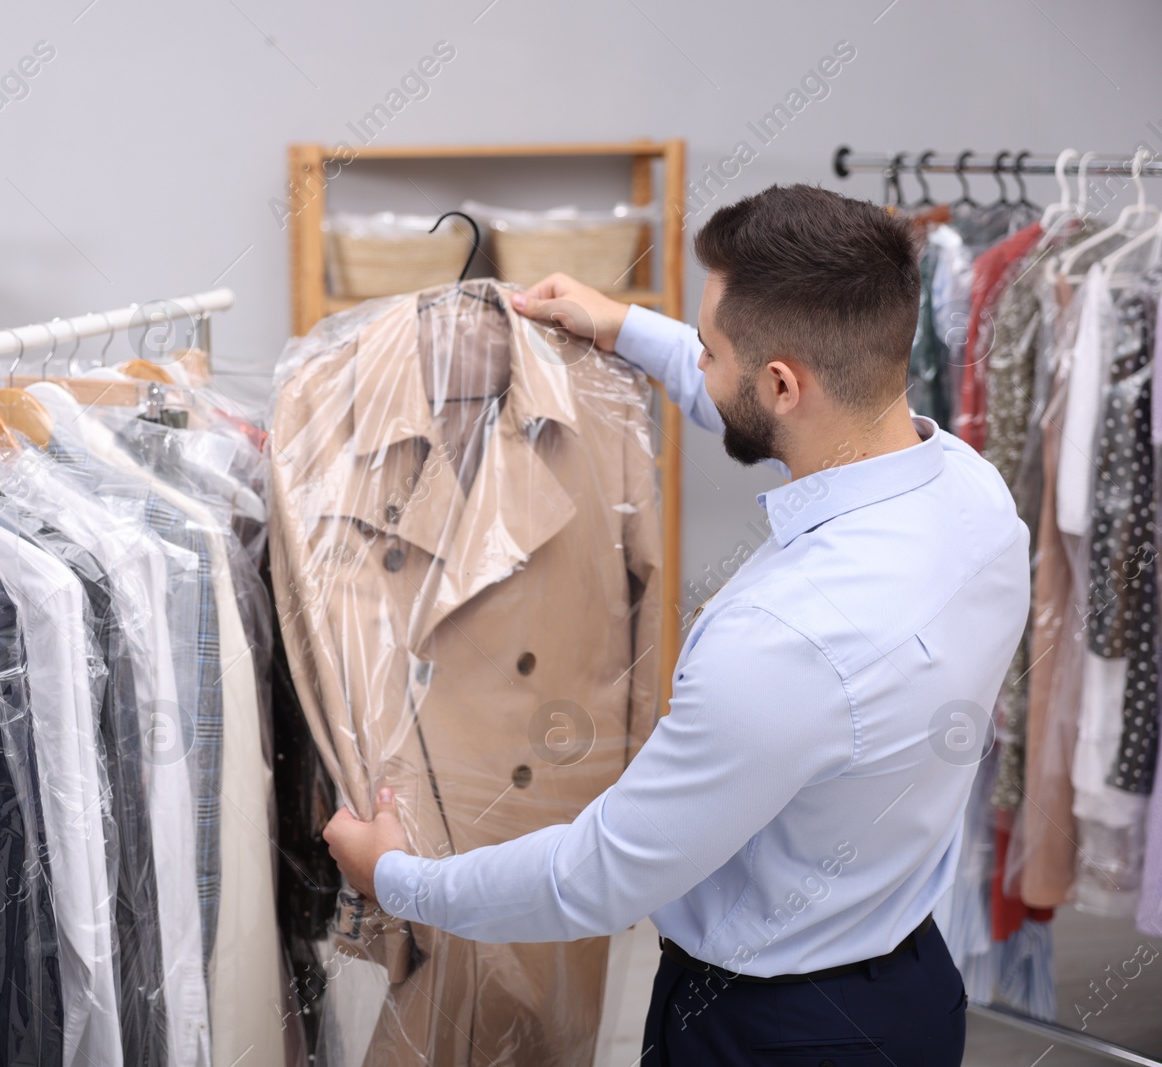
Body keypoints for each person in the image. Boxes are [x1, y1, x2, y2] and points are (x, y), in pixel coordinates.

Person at [322, 183, 1029, 1065]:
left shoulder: (780, 644)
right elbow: (766, 414)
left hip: (770, 1034)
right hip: (914, 990)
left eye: (709, 347)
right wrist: (624, 327)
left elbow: (599, 876)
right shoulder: (973, 495)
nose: (699, 362)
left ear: (781, 382)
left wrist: (395, 878)